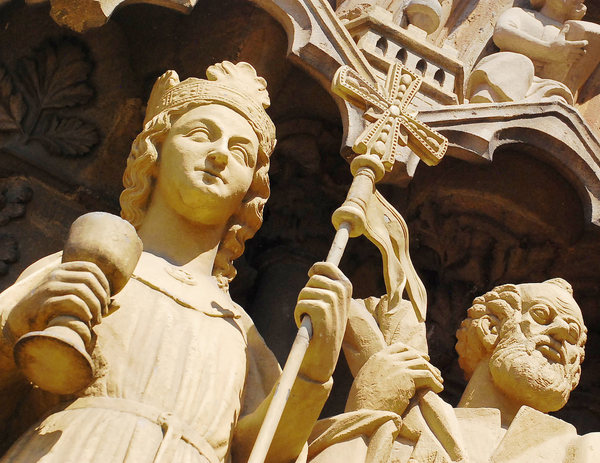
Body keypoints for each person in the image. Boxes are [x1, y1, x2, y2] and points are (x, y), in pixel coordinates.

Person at [0, 61, 351, 463]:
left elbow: (260, 452)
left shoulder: (239, 330)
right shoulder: (88, 270)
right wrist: (19, 325)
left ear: (250, 193)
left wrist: (313, 371)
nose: (220, 155)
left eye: (240, 152)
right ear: (155, 152)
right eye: (201, 134)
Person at [308, 278, 600, 462]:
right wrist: (367, 410)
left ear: (575, 373)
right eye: (541, 315)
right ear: (490, 328)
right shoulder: (405, 427)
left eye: (574, 336)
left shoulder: (585, 451)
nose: (561, 332)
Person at [467, 0, 600, 105]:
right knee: (518, 63)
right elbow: (502, 33)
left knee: (558, 96)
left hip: (542, 87)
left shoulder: (569, 33)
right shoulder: (520, 14)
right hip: (508, 72)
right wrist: (548, 50)